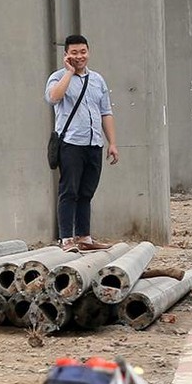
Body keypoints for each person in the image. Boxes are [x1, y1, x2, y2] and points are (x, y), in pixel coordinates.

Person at [45, 35, 118, 252]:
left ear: (88, 52)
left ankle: (84, 237)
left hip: (94, 143)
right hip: (71, 143)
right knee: (69, 191)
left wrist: (112, 142)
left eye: (83, 51)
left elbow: (106, 112)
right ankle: (66, 238)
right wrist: (69, 72)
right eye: (74, 52)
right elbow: (53, 98)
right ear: (66, 54)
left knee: (87, 192)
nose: (79, 56)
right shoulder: (58, 77)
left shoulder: (97, 80)